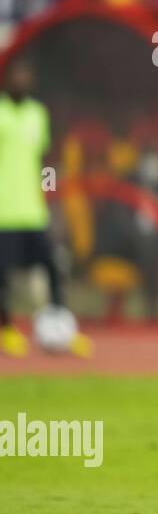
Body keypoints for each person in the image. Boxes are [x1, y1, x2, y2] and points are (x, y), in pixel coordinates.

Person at [0, 62, 90, 357]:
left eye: (27, 74)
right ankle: (6, 330)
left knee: (52, 267)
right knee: (3, 275)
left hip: (33, 210)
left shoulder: (38, 115)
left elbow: (42, 159)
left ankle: (61, 328)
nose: (22, 79)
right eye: (17, 74)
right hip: (4, 211)